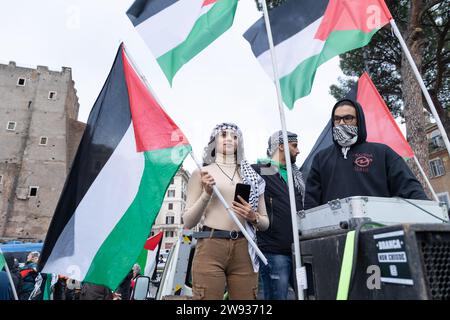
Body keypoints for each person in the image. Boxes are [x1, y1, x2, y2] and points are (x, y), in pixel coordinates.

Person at [183, 122, 269, 300]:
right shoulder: (202, 173)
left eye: (235, 136)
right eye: (223, 135)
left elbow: (265, 223)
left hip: (245, 247)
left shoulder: (252, 176)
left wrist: (253, 217)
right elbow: (188, 221)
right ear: (214, 141)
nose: (229, 139)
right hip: (210, 245)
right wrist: (206, 194)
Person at [304, 98, 428, 210]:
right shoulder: (321, 158)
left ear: (359, 120)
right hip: (335, 231)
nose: (341, 123)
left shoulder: (382, 152)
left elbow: (410, 189)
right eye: (337, 119)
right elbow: (311, 203)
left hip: (379, 228)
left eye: (347, 118)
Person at [251, 130, 304, 300]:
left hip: (301, 249)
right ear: (281, 146)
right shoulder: (259, 170)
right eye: (294, 146)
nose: (298, 150)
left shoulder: (298, 176)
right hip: (274, 250)